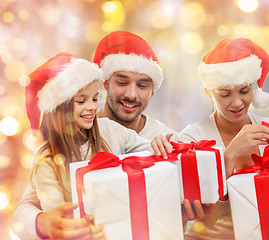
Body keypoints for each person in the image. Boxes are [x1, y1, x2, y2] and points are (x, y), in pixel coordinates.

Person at [12, 52, 167, 239]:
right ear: (60, 107)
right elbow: (58, 213)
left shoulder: (108, 129)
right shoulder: (46, 158)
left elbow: (150, 153)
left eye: (94, 99)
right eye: (81, 101)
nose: (92, 107)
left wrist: (157, 144)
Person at [177, 38, 269, 239]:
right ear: (208, 92)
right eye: (225, 94)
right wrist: (229, 155)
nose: (236, 103)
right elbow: (199, 218)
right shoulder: (193, 138)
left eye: (244, 91)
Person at [93, 30, 178, 141]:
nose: (131, 95)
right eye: (122, 83)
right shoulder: (80, 134)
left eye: (142, 85)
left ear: (152, 92)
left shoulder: (169, 141)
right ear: (106, 83)